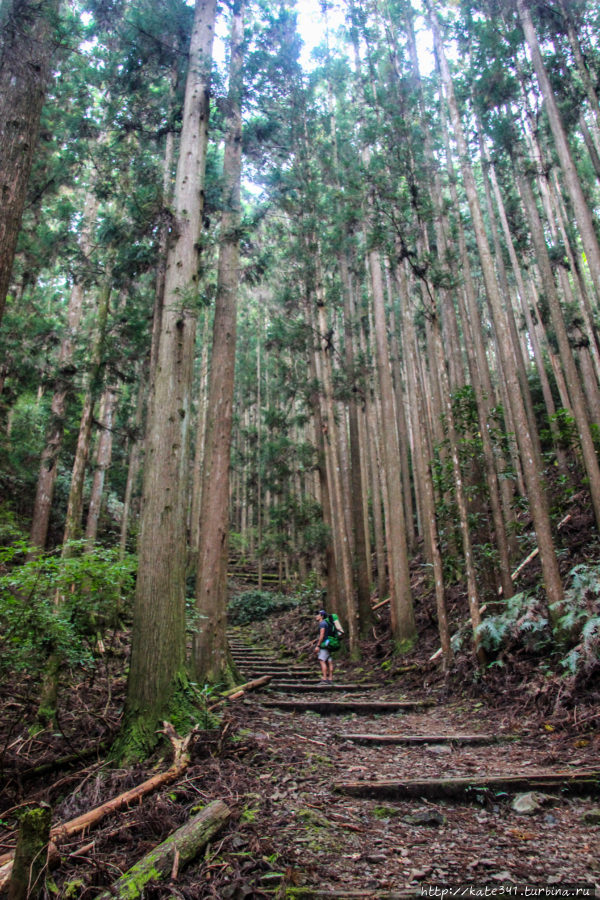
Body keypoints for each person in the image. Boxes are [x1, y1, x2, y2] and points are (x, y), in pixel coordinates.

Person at [314, 609, 333, 685]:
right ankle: (330, 678)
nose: (316, 616)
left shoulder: (322, 624)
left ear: (321, 616)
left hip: (324, 644)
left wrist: (318, 645)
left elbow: (322, 635)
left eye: (318, 615)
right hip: (330, 644)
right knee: (329, 661)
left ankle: (325, 679)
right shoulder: (328, 623)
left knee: (322, 660)